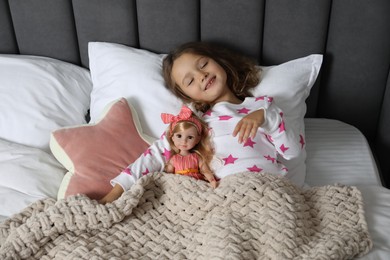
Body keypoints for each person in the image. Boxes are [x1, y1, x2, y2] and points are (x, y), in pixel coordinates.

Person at [99, 42, 303, 204]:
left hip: (271, 189)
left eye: (203, 64)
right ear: (185, 94)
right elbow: (155, 155)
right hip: (229, 196)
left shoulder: (263, 107)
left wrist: (266, 117)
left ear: (219, 61)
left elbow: (293, 151)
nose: (202, 76)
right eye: (190, 81)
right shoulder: (195, 123)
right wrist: (114, 194)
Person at [161, 105, 217, 188]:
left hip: (196, 184)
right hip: (179, 184)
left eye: (190, 137)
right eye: (179, 136)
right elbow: (168, 175)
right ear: (172, 137)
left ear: (197, 139)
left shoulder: (197, 157)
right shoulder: (173, 159)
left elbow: (205, 170)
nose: (184, 141)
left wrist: (212, 180)